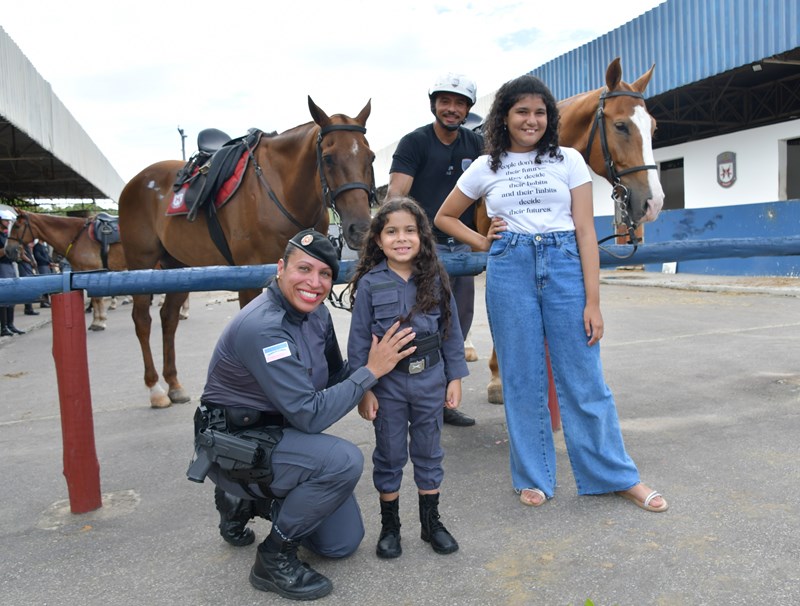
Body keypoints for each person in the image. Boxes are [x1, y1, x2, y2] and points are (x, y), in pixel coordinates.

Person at [434, 74, 668, 513]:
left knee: (586, 380)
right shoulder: (486, 166)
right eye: (522, 111)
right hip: (510, 270)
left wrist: (593, 301)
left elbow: (584, 231)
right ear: (505, 116)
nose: (532, 120)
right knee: (521, 380)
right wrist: (482, 241)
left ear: (550, 117)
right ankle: (532, 474)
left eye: (540, 112)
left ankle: (615, 475)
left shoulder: (569, 161)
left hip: (563, 268)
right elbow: (445, 216)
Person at [192, 228, 417, 601]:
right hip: (238, 445)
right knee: (343, 461)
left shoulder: (317, 314)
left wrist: (377, 367)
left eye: (325, 274)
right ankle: (273, 557)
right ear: (281, 268)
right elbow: (310, 416)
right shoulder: (265, 329)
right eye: (303, 269)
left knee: (340, 544)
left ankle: (249, 501)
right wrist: (371, 372)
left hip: (277, 436)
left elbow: (334, 376)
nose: (314, 283)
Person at [347, 197, 468, 559]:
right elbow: (357, 342)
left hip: (431, 380)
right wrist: (363, 390)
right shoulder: (369, 284)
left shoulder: (435, 276)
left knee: (429, 452)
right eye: (392, 231)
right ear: (378, 240)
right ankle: (390, 527)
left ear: (422, 236)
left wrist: (455, 377)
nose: (401, 238)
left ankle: (431, 525)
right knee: (389, 453)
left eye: (410, 231)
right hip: (388, 387)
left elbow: (452, 329)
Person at [386, 72, 484, 427]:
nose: (452, 108)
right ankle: (410, 402)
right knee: (419, 327)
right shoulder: (414, 142)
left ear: (467, 109)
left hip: (463, 248)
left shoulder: (475, 144)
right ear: (434, 104)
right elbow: (397, 195)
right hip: (424, 251)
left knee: (458, 323)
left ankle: (444, 402)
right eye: (446, 101)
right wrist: (402, 243)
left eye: (460, 103)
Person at [0, 211, 24, 337]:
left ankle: (10, 324)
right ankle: (3, 327)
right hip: (2, 266)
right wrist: (7, 250)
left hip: (9, 265)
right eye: (6, 221)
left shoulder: (6, 236)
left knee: (12, 296)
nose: (8, 223)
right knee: (4, 297)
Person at [32, 240, 54, 308]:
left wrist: (51, 261)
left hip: (47, 266)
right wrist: (48, 262)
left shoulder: (44, 246)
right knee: (44, 284)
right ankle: (43, 302)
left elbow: (47, 256)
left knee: (48, 284)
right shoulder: (37, 247)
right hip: (42, 266)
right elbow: (38, 257)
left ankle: (47, 301)